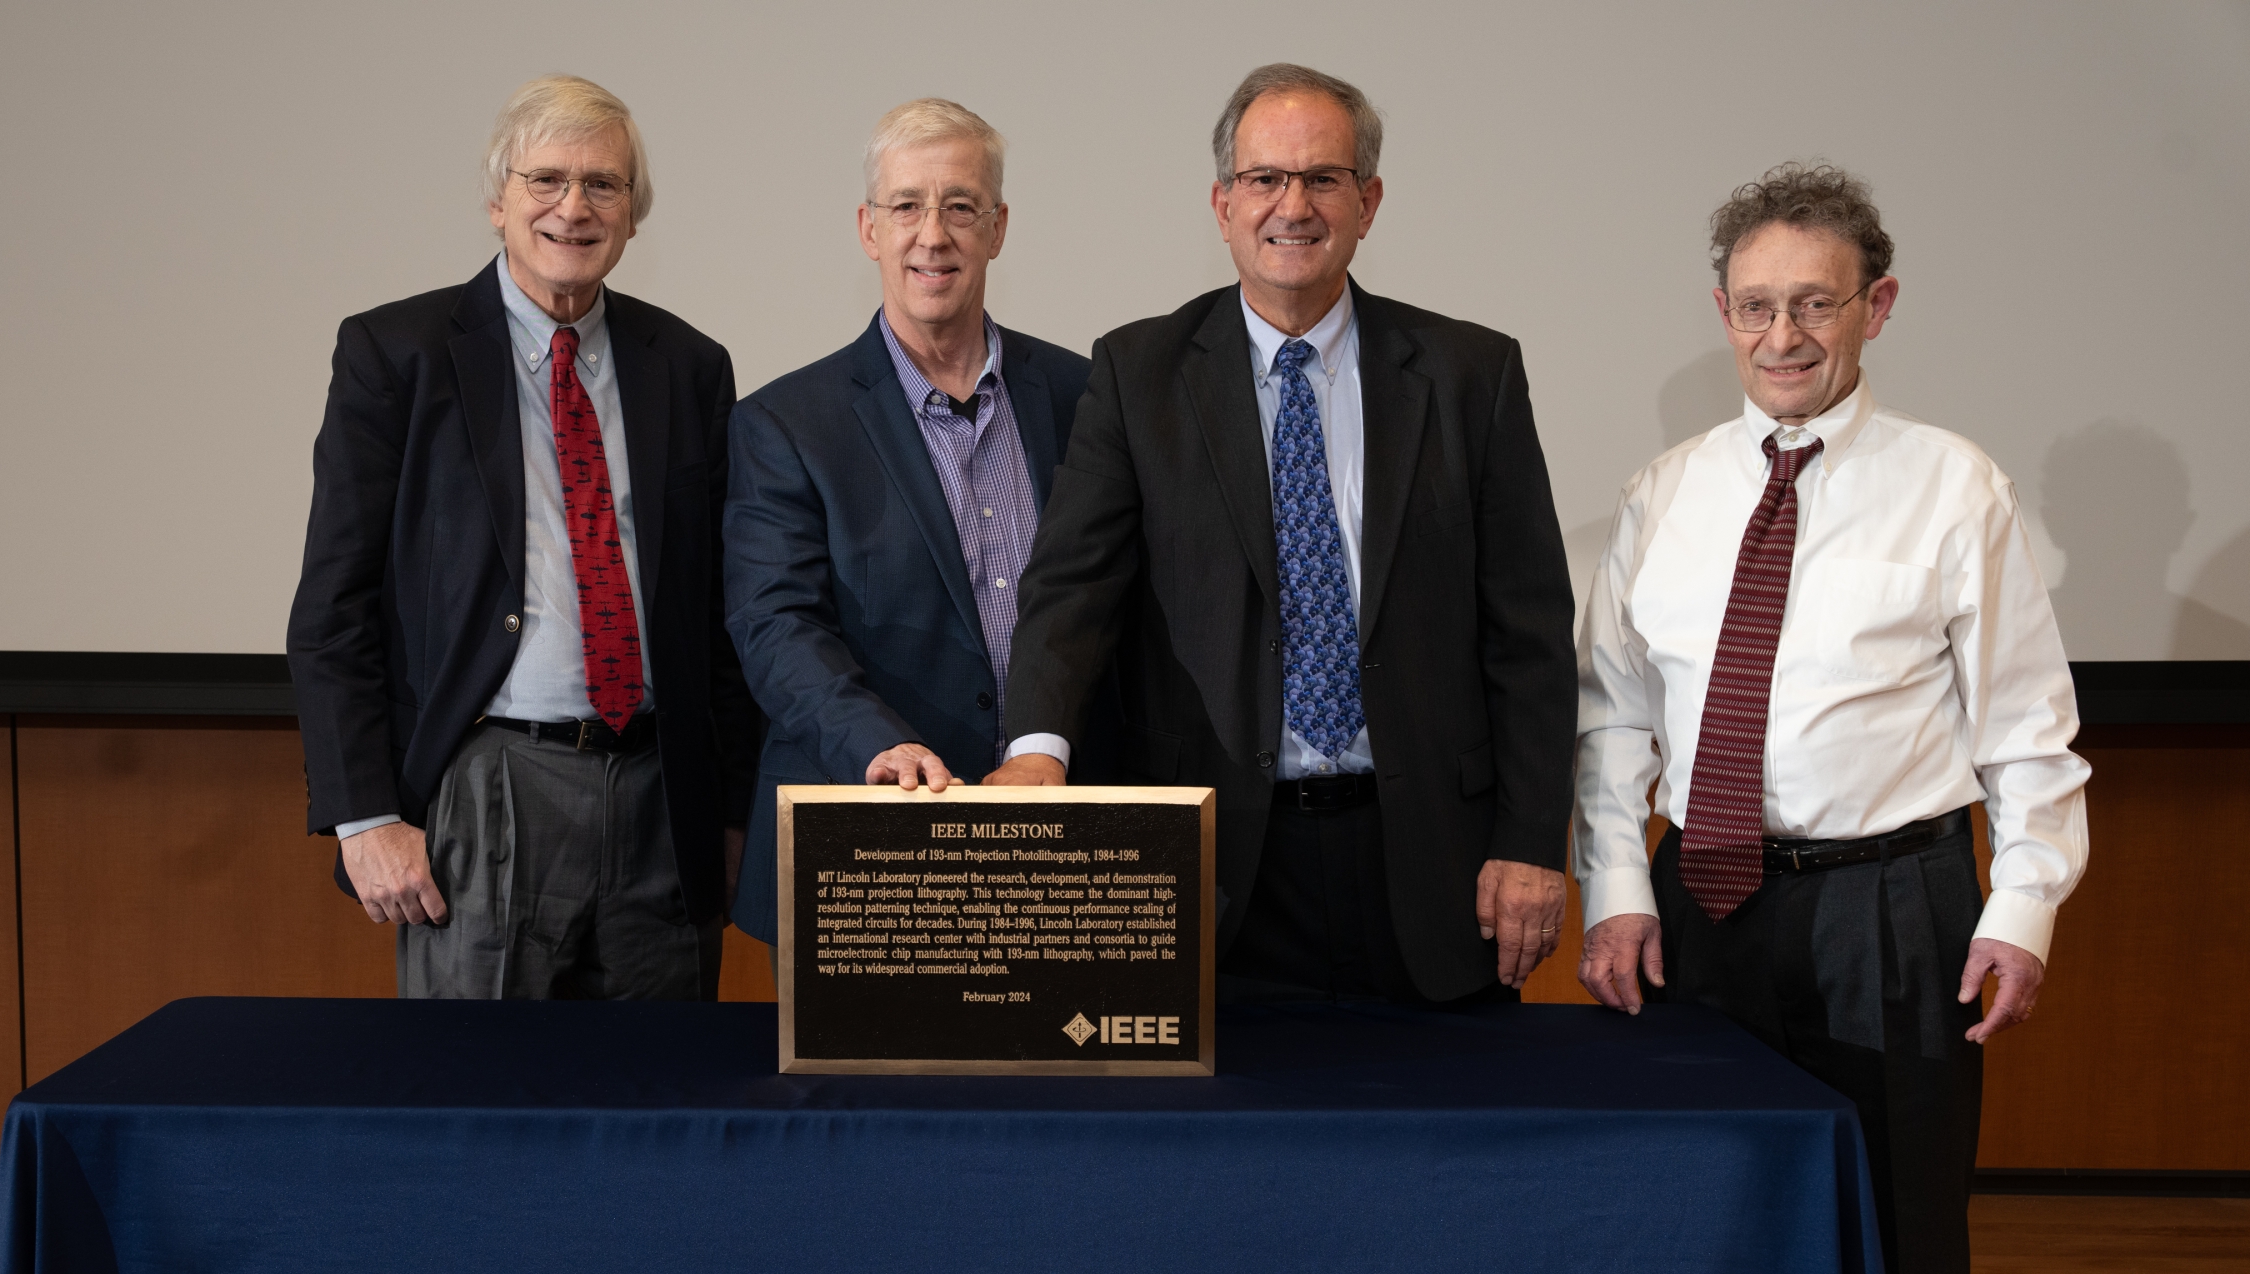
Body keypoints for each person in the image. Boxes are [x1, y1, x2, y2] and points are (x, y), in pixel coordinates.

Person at [1573, 162, 2090, 1274]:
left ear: (1878, 306)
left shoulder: (1954, 483)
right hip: (1707, 908)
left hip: (1895, 906)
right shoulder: (1667, 489)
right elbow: (1614, 723)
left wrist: (2024, 907)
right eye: (1756, 304)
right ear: (1721, 312)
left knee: (1906, 1250)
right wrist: (1615, 889)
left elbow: (2028, 734)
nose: (1784, 332)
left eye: (1816, 301)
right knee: (1709, 1236)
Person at [986, 64, 1577, 1004]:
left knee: (1444, 1142)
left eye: (1322, 178)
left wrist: (1531, 842)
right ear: (1222, 205)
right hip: (1218, 866)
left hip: (1429, 860)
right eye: (1264, 179)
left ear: (1368, 201)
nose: (1291, 205)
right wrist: (1036, 752)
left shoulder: (1472, 375)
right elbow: (1071, 591)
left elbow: (1531, 636)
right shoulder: (1140, 374)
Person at [288, 75, 758, 1000]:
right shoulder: (398, 356)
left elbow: (721, 611)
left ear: (633, 215)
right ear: (497, 198)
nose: (573, 208)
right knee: (483, 1110)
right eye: (546, 180)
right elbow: (333, 605)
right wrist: (364, 816)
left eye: (603, 186)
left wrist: (735, 809)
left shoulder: (690, 368)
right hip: (487, 786)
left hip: (663, 794)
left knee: (661, 1107)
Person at [724, 100, 1094, 957]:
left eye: (961, 206)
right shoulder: (785, 423)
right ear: (868, 228)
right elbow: (775, 627)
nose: (935, 233)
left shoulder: (1084, 399)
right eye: (907, 206)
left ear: (998, 229)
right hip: (863, 843)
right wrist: (880, 748)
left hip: (1058, 848)